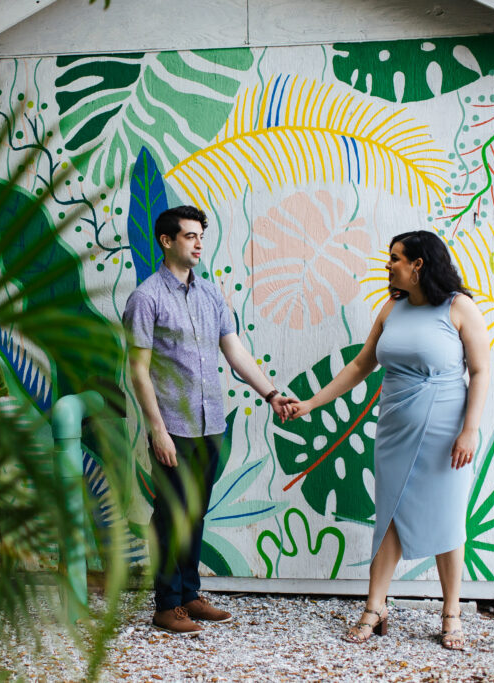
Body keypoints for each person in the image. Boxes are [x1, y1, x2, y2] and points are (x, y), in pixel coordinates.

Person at [288, 230, 489, 651]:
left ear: (418, 264)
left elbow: (481, 372)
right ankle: (376, 607)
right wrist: (310, 404)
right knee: (390, 515)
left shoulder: (459, 307)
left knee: (447, 518)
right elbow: (362, 364)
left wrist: (469, 429)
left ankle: (451, 612)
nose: (389, 265)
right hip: (395, 429)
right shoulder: (392, 308)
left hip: (446, 432)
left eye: (395, 258)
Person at [123, 205, 296, 636]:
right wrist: (157, 429)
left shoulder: (210, 295)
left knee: (195, 513)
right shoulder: (146, 298)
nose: (199, 243)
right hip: (174, 428)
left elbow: (234, 352)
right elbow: (138, 369)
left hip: (209, 423)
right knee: (171, 515)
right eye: (190, 236)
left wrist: (271, 394)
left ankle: (188, 594)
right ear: (167, 241)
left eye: (202, 235)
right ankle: (167, 605)